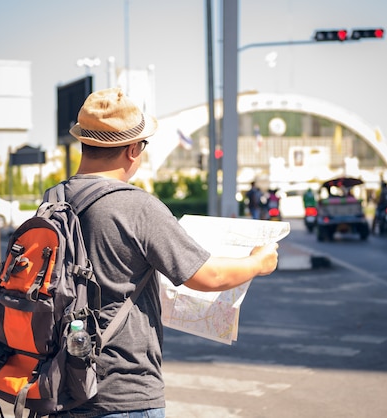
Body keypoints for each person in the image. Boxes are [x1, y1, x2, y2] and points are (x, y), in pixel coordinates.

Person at [58, 87, 278, 418]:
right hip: (123, 393)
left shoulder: (54, 199)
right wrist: (257, 263)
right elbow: (209, 276)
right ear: (133, 149)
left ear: (84, 143)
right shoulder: (135, 206)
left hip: (61, 383)